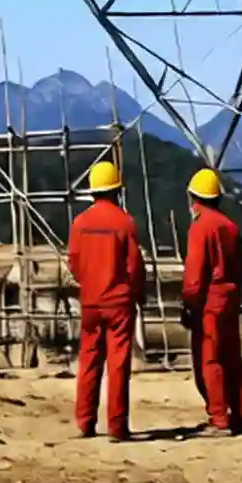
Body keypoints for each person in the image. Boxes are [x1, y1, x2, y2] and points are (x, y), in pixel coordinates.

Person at [67, 157, 146, 440]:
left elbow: (73, 262)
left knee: (89, 361)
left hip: (90, 302)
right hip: (119, 303)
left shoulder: (80, 223)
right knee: (117, 363)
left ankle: (85, 422)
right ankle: (116, 426)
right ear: (117, 190)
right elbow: (134, 266)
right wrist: (138, 293)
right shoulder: (125, 223)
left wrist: (89, 282)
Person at [180, 167, 242, 436]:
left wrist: (189, 303)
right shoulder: (230, 226)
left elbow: (195, 272)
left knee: (210, 360)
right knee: (232, 358)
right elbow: (241, 267)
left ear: (193, 198)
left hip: (210, 301)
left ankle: (219, 418)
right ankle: (240, 415)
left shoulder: (201, 227)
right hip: (231, 298)